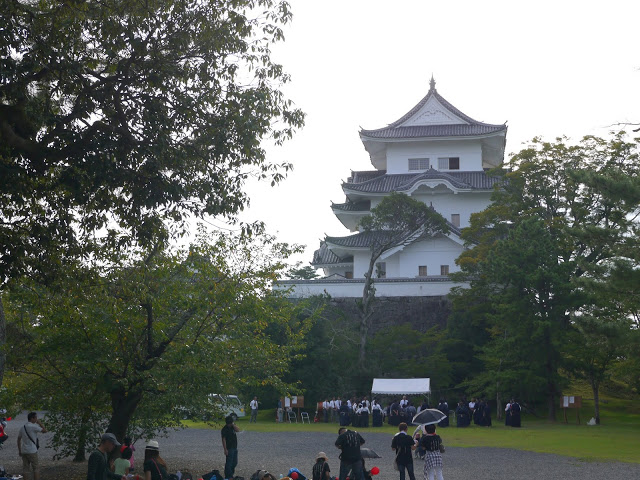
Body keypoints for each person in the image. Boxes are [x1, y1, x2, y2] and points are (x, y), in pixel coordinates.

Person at [17, 411, 47, 480]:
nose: (36, 419)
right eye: (36, 417)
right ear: (32, 418)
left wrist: (19, 450)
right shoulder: (34, 426)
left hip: (24, 450)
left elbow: (18, 439)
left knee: (25, 468)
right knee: (36, 468)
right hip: (32, 450)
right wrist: (40, 423)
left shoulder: (23, 427)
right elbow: (45, 431)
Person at [221, 415, 241, 480]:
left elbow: (238, 430)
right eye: (228, 423)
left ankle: (231, 474)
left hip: (235, 447)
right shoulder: (224, 429)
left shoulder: (233, 427)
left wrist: (233, 425)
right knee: (229, 463)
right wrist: (225, 449)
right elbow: (223, 439)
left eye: (230, 423)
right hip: (229, 448)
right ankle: (228, 476)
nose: (229, 425)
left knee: (235, 462)